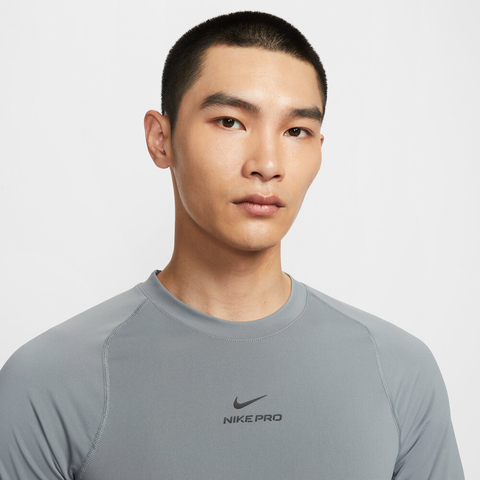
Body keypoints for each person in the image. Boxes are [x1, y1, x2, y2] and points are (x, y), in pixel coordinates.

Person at [0, 11, 464, 480]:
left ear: (320, 148)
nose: (267, 164)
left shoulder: (399, 371)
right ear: (161, 139)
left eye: (296, 131)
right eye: (230, 121)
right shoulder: (49, 382)